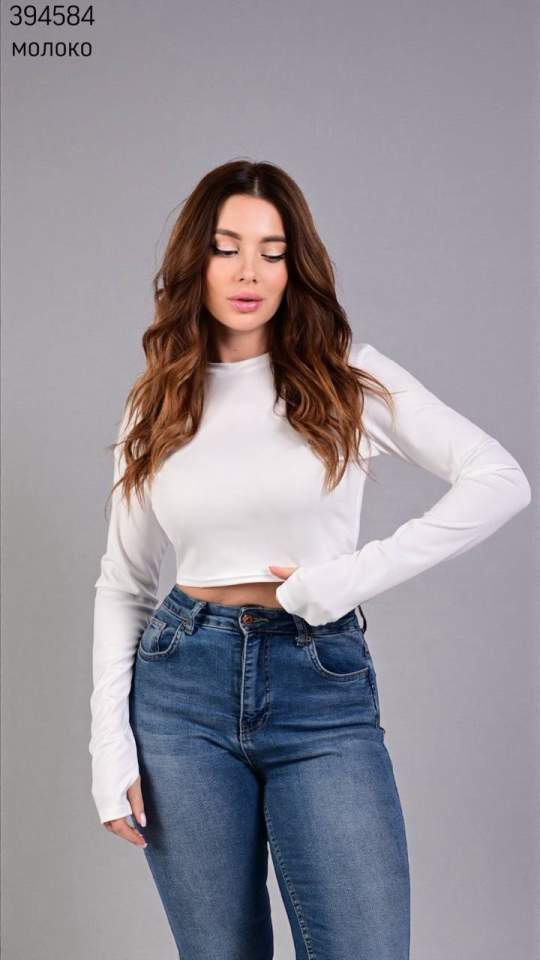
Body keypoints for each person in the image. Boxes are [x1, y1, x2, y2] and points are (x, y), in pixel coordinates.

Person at [89, 159, 531, 960]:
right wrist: (107, 747)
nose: (249, 272)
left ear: (297, 266)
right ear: (196, 261)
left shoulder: (347, 375)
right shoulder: (156, 398)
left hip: (318, 683)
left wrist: (349, 579)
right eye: (227, 248)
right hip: (180, 691)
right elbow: (124, 582)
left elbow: (499, 479)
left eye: (273, 251)